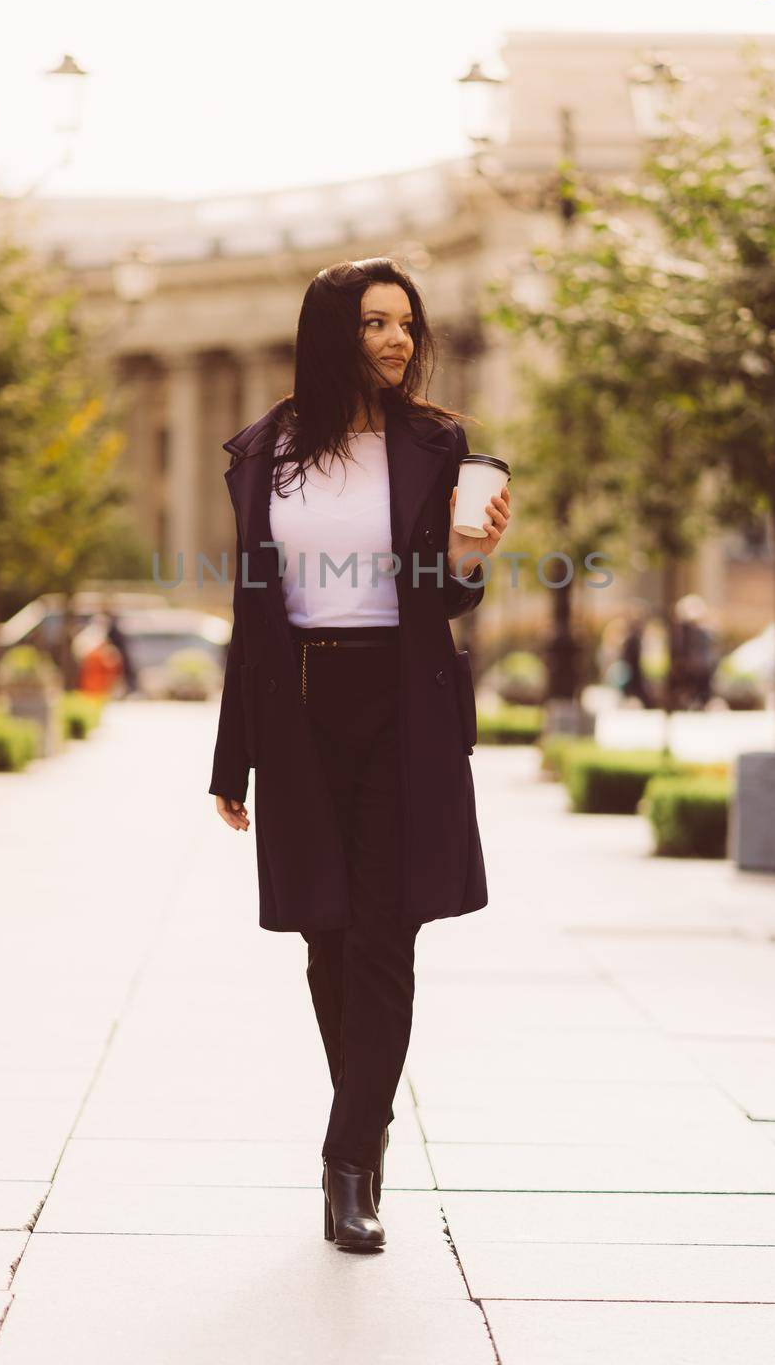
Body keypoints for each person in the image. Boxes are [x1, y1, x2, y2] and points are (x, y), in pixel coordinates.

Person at [208, 257, 511, 1254]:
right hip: (297, 706)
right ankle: (367, 1123)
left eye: (406, 325)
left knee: (384, 931)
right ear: (331, 330)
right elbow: (251, 615)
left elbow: (444, 593)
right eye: (375, 322)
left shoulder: (434, 442)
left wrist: (468, 561)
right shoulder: (262, 452)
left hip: (402, 704)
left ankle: (347, 1164)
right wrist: (231, 758)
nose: (396, 340)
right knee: (326, 934)